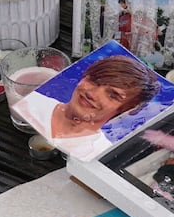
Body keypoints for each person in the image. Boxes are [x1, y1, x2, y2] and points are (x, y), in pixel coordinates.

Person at [16, 53, 163, 160]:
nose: (92, 94)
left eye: (112, 95)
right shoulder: (30, 104)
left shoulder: (101, 153)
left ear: (130, 110)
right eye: (94, 81)